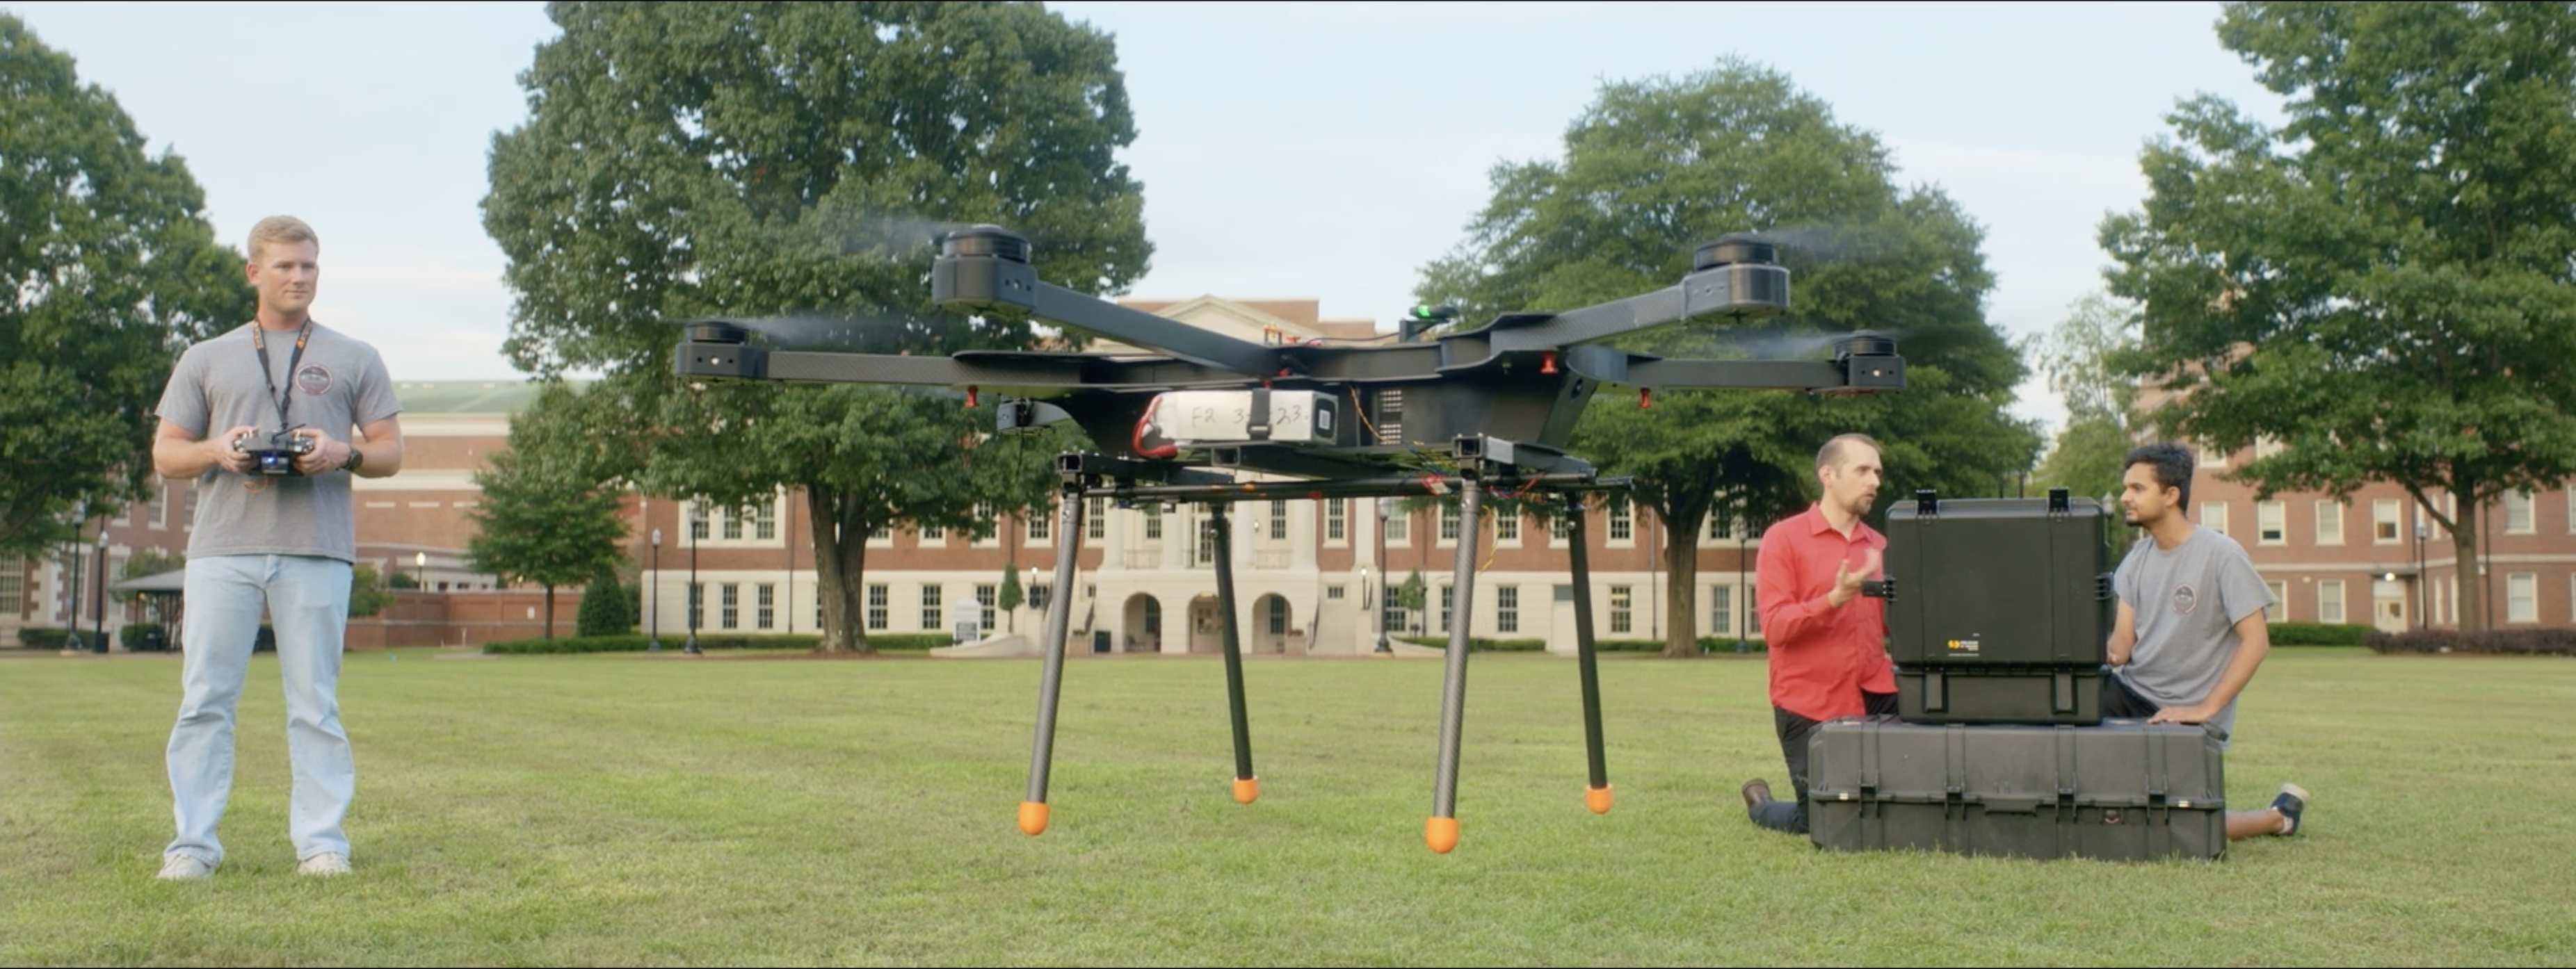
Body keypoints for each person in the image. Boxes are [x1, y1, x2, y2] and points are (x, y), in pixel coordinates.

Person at [149, 216, 405, 880]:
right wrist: (218, 450)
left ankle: (322, 844)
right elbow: (167, 454)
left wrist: (340, 452)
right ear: (254, 273)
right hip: (222, 549)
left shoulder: (355, 356)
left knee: (315, 702)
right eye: (286, 266)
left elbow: (391, 453)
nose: (299, 277)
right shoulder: (205, 357)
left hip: (316, 548)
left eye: (309, 266)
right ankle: (192, 847)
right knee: (205, 699)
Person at [2105, 442, 2308, 840]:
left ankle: (2279, 818)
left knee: (2181, 828)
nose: (2125, 498)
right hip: (2131, 694)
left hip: (2187, 711)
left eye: (2137, 488)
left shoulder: (2222, 556)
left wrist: (2205, 708)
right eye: (2126, 488)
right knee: (2063, 714)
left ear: (2171, 495)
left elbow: (2256, 641)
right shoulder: (2134, 560)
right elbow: (2120, 650)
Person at [1740, 433, 1895, 834]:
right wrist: (1834, 598)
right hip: (1807, 705)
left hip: (1876, 698)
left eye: (1877, 472)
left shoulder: (1880, 546)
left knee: (1890, 810)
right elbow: (1775, 627)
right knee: (1823, 823)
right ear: (1828, 474)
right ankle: (1761, 804)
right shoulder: (1783, 539)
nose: (1874, 481)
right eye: (1863, 470)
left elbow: (1897, 624)